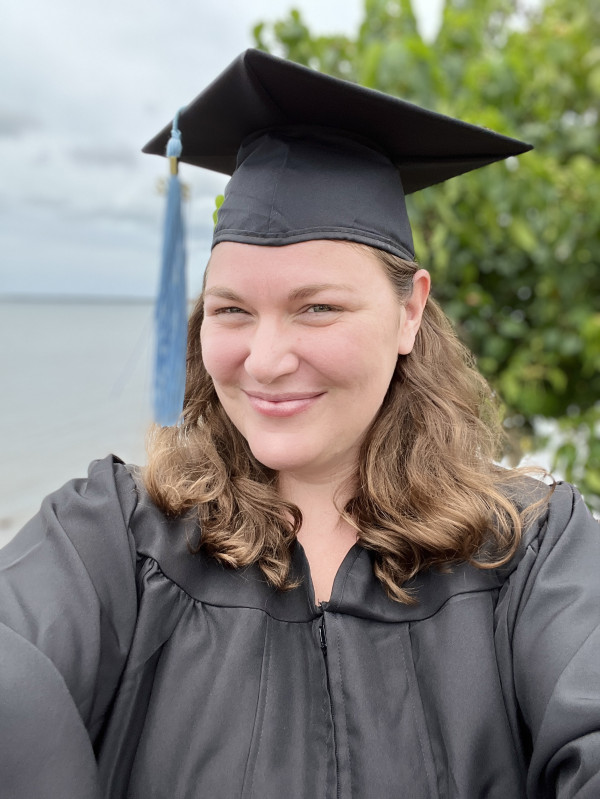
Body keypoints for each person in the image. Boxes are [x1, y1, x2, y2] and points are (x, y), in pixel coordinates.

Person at [1, 49, 598, 799]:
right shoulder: (114, 542)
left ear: (410, 311)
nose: (266, 359)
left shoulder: (532, 553)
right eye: (232, 310)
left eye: (318, 307)